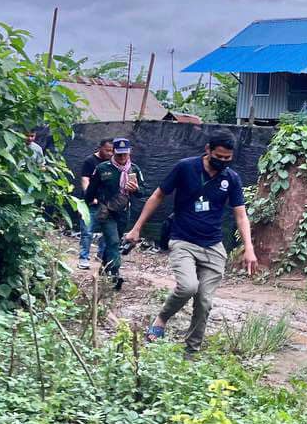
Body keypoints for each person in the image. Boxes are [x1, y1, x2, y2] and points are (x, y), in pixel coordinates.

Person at [124, 131, 258, 354]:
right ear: (208, 150)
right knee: (188, 287)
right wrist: (137, 227)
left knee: (204, 301)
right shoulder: (185, 167)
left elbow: (241, 215)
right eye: (219, 157)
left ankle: (191, 350)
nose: (223, 161)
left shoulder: (231, 178)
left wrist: (249, 248)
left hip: (213, 245)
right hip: (183, 240)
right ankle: (161, 319)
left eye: (227, 158)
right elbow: (158, 195)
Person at [82, 137, 143, 290]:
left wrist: (136, 189)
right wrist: (88, 204)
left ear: (129, 153)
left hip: (123, 213)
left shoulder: (134, 169)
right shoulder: (102, 168)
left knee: (113, 243)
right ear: (114, 152)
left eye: (125, 154)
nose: (122, 157)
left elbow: (142, 192)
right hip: (106, 212)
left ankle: (104, 266)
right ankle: (115, 275)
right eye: (119, 154)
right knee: (114, 241)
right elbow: (91, 190)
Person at [77, 138, 115, 270]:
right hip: (90, 202)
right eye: (107, 150)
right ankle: (83, 258)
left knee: (108, 231)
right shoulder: (90, 161)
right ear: (100, 148)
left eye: (112, 151)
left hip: (107, 203)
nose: (110, 153)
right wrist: (90, 196)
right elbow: (85, 180)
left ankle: (101, 255)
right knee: (87, 231)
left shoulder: (113, 162)